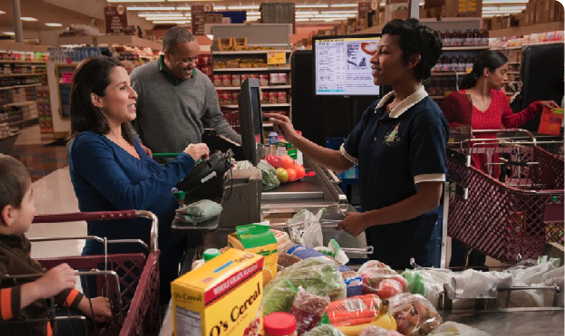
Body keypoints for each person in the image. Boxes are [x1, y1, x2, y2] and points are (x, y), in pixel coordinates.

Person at [266, 19, 448, 270]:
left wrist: (366, 218)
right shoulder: (378, 109)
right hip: (379, 240)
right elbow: (341, 161)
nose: (373, 59)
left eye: (384, 52)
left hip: (409, 250)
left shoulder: (425, 119)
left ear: (412, 60)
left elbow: (429, 199)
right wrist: (294, 139)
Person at [67, 56, 210, 303]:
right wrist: (185, 160)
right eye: (123, 87)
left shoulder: (127, 135)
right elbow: (130, 199)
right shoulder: (88, 145)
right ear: (96, 99)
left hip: (157, 253)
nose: (134, 94)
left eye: (130, 85)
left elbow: (156, 177)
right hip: (123, 267)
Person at [0, 152, 112, 336]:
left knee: (79, 308)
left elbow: (37, 277)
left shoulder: (3, 241)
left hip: (18, 332)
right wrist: (39, 289)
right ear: (8, 214)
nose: (34, 207)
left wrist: (83, 302)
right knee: (96, 323)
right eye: (30, 199)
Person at [441, 50, 558, 267]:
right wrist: (457, 130)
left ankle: (478, 267)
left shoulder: (499, 98)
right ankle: (457, 267)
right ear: (486, 72)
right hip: (464, 171)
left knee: (487, 220)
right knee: (463, 221)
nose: (506, 78)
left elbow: (510, 122)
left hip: (491, 170)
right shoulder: (457, 99)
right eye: (502, 73)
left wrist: (535, 107)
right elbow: (440, 130)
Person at [130, 26, 241, 155]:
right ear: (168, 55)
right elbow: (123, 119)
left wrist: (244, 143)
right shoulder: (140, 78)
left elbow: (216, 121)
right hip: (156, 166)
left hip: (194, 164)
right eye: (186, 60)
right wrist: (137, 144)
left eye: (195, 58)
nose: (193, 64)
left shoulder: (203, 82)